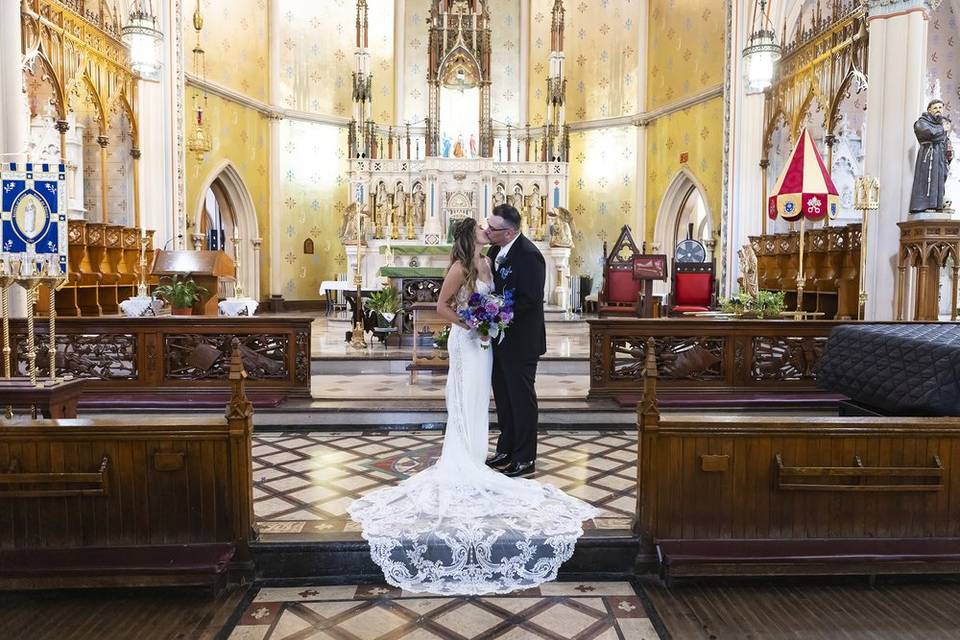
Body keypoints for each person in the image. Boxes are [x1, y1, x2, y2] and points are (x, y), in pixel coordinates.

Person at [348, 216, 595, 595]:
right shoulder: (462, 265)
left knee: (484, 398)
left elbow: (499, 296)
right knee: (466, 397)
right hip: (468, 341)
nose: (488, 232)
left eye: (491, 228)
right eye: (482, 229)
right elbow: (443, 306)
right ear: (470, 236)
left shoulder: (490, 259)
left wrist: (490, 317)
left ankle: (485, 451)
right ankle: (464, 454)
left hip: (487, 343)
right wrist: (470, 324)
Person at [485, 203, 546, 477]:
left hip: (521, 341)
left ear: (509, 232)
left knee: (521, 400)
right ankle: (506, 449)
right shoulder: (495, 250)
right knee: (504, 399)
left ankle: (524, 458)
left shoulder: (530, 255)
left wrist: (496, 311)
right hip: (500, 341)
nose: (487, 232)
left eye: (493, 229)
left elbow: (530, 300)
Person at [910, 99, 954, 212]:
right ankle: (924, 205)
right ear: (929, 110)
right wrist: (942, 130)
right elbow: (928, 133)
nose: (938, 110)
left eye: (940, 107)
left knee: (940, 179)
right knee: (927, 180)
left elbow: (944, 139)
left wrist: (949, 151)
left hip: (940, 157)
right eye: (935, 108)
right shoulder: (922, 122)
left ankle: (938, 205)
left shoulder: (943, 123)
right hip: (928, 156)